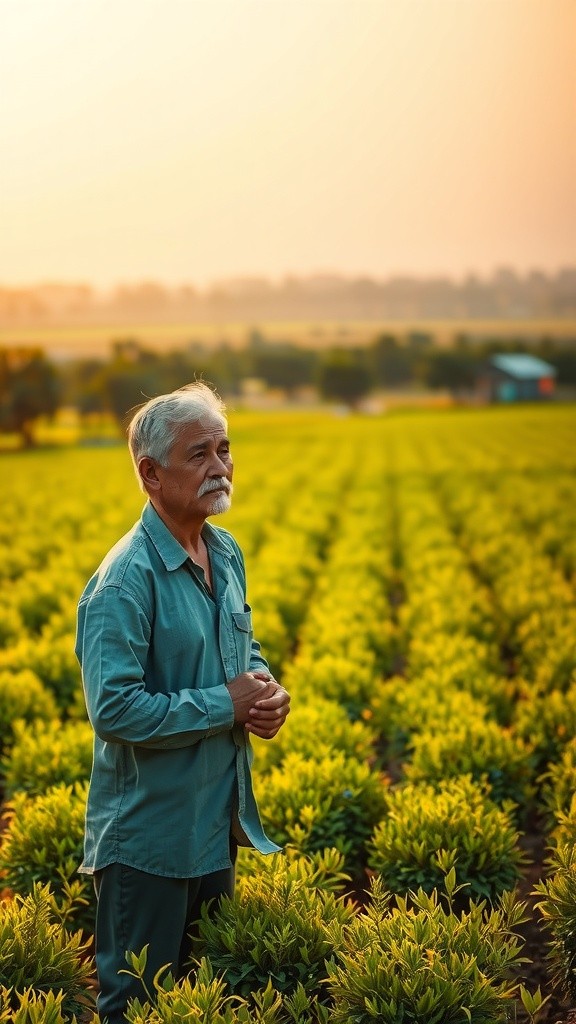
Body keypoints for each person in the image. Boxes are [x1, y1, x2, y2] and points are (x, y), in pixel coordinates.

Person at [75, 382, 290, 1023]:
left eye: (225, 450)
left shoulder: (224, 552)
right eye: (199, 454)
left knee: (200, 999)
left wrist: (263, 693)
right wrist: (226, 705)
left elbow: (240, 651)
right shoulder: (123, 582)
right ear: (150, 473)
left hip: (213, 829)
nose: (220, 467)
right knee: (137, 1005)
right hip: (148, 842)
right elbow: (114, 710)